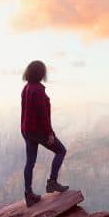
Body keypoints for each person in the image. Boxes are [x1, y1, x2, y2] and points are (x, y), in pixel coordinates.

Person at [20, 60, 68, 206]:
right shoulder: (38, 90)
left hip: (27, 130)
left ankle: (28, 194)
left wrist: (25, 131)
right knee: (61, 151)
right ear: (40, 74)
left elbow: (25, 111)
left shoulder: (26, 88)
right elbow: (43, 116)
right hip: (38, 131)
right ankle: (52, 182)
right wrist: (50, 134)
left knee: (30, 162)